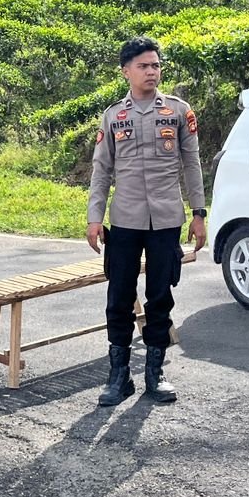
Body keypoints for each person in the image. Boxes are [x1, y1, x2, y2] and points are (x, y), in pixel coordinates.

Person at [85, 36, 207, 407]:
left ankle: (156, 372)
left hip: (167, 219)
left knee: (160, 297)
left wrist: (198, 213)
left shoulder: (178, 111)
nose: (152, 71)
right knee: (119, 297)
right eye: (144, 66)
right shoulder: (112, 116)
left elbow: (192, 164)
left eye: (156, 65)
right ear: (126, 72)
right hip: (124, 220)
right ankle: (118, 376)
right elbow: (101, 169)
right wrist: (95, 217)